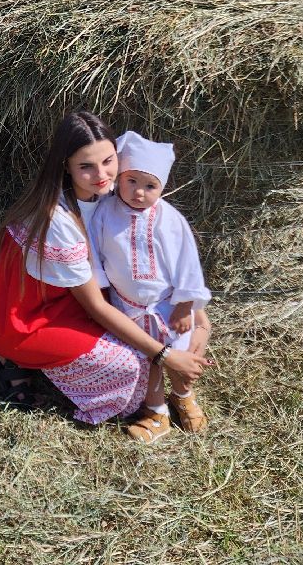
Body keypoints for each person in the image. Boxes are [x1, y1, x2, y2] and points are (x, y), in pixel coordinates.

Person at [0, 111, 209, 440]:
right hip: (31, 313)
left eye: (109, 161)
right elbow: (95, 306)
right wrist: (164, 354)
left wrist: (191, 309)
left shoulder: (115, 190)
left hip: (74, 295)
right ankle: (8, 353)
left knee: (162, 338)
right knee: (132, 372)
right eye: (86, 167)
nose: (102, 175)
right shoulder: (58, 219)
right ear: (66, 166)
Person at [88, 132, 213, 441]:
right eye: (131, 181)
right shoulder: (105, 213)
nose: (139, 192)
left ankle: (183, 397)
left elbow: (187, 262)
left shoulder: (169, 220)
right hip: (128, 306)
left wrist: (186, 305)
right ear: (120, 177)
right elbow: (94, 251)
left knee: (179, 355)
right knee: (150, 360)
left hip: (168, 306)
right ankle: (156, 412)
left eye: (150, 186)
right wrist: (102, 288)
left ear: (162, 188)